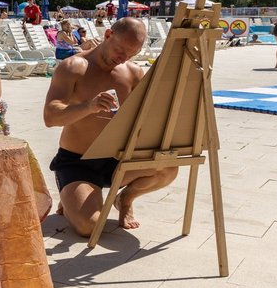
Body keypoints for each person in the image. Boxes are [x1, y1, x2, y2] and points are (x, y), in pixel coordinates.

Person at [43, 18, 178, 235]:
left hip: (117, 160)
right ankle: (72, 196)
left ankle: (125, 198)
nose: (123, 58)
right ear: (108, 35)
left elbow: (145, 117)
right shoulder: (74, 67)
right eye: (120, 50)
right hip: (78, 162)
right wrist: (89, 107)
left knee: (168, 167)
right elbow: (50, 116)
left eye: (131, 54)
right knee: (90, 227)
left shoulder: (133, 72)